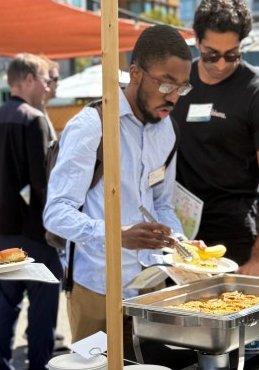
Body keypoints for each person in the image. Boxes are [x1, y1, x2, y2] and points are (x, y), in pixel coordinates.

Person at [44, 25, 193, 345]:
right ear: (136, 74)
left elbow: (162, 203)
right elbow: (56, 212)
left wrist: (181, 243)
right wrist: (116, 235)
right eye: (166, 83)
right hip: (96, 286)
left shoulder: (168, 130)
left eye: (182, 87)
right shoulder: (91, 125)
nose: (174, 96)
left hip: (151, 283)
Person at [171, 0, 259, 274]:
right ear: (196, 40)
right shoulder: (176, 82)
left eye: (232, 55)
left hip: (233, 239)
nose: (221, 64)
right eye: (211, 55)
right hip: (178, 233)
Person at [0, 53, 63, 370]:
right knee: (43, 300)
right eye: (44, 79)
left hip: (0, 228)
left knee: (7, 301)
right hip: (33, 229)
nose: (47, 86)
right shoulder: (34, 118)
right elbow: (42, 184)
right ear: (27, 79)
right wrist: (55, 226)